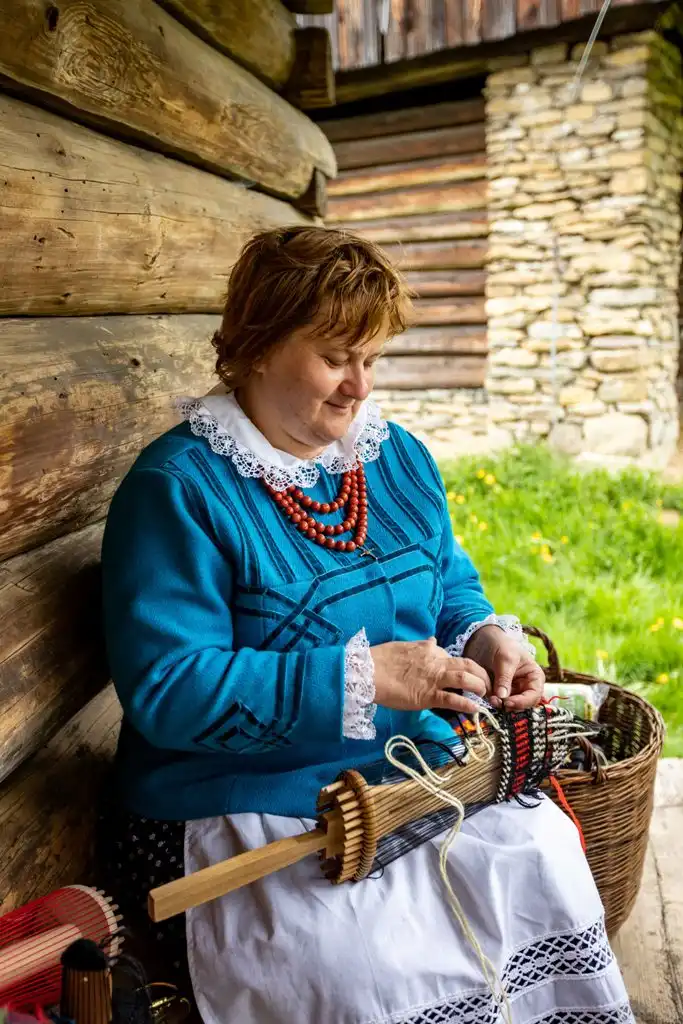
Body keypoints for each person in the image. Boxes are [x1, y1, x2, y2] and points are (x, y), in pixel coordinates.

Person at [100, 226, 634, 1024]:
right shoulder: (177, 488)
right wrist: (363, 677)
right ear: (256, 345)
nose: (358, 387)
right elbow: (169, 691)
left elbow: (447, 579)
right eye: (334, 356)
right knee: (361, 966)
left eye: (372, 358)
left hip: (410, 771)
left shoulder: (394, 457)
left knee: (538, 861)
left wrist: (484, 634)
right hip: (238, 802)